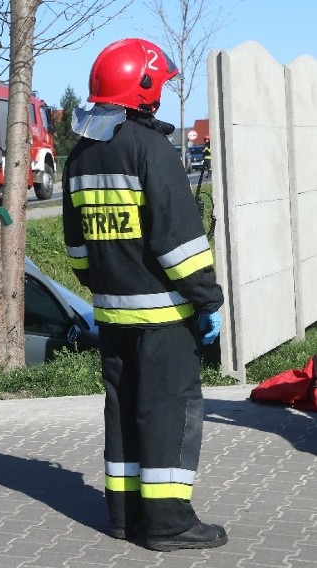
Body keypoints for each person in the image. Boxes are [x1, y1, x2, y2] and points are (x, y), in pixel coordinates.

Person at [62, 38, 226, 552]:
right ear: (145, 88)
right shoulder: (152, 149)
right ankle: (168, 523)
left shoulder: (80, 157)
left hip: (112, 317)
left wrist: (107, 284)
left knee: (123, 411)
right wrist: (208, 300)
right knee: (167, 413)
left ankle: (125, 516)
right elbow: (180, 245)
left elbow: (76, 250)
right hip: (164, 319)